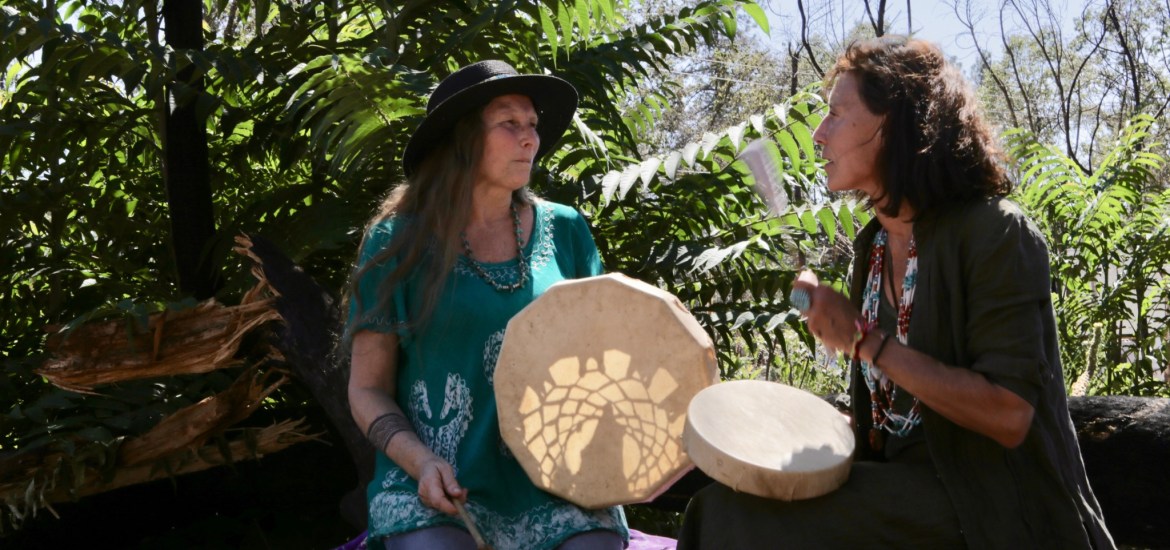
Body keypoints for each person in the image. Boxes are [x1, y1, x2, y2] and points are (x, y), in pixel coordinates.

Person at [677, 36, 1115, 549]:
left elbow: (1009, 414)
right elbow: (892, 412)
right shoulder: (876, 246)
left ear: (894, 124)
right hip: (908, 492)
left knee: (731, 519)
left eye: (837, 114)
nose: (819, 134)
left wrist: (867, 340)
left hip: (990, 508)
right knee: (726, 502)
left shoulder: (996, 233)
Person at [345, 60, 628, 550]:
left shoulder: (567, 230)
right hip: (435, 483)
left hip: (555, 481)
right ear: (463, 141)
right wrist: (421, 462)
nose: (530, 140)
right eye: (509, 124)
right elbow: (367, 390)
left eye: (533, 125)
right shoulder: (398, 243)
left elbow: (605, 358)